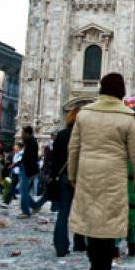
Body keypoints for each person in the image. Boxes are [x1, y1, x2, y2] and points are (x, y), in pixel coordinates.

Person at [68, 73, 135, 270]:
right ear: (121, 91)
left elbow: (73, 149)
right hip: (114, 177)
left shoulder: (84, 114)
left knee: (92, 224)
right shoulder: (128, 117)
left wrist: (73, 175)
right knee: (108, 228)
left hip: (87, 175)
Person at [52, 108, 85, 257]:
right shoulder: (84, 136)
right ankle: (79, 243)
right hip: (80, 178)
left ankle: (61, 246)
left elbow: (55, 160)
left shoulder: (60, 135)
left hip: (63, 178)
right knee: (82, 212)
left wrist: (54, 177)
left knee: (63, 213)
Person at [18, 126, 46, 218]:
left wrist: (27, 169)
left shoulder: (31, 142)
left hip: (27, 169)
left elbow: (30, 158)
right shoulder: (30, 141)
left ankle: (25, 212)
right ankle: (35, 206)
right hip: (26, 168)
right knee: (23, 190)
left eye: (22, 133)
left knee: (23, 191)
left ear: (27, 133)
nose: (21, 135)